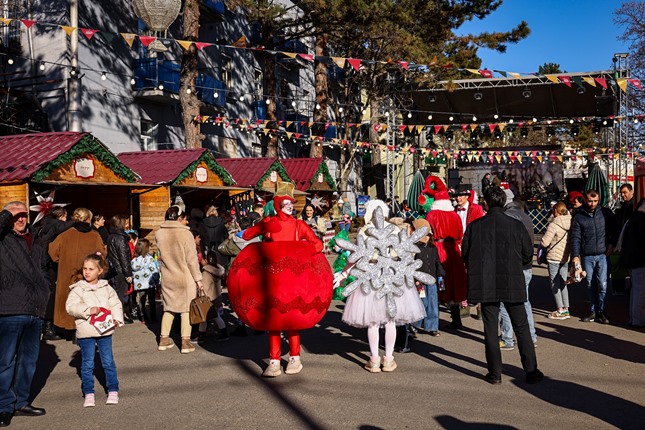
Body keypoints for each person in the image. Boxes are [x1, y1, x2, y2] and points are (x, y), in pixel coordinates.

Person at [462, 187, 543, 385]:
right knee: (521, 327)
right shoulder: (515, 225)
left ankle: (495, 373)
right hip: (512, 280)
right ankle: (531, 371)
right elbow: (527, 254)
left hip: (486, 282)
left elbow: (465, 254)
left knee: (490, 328)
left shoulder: (475, 226)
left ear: (486, 203)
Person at [241, 186, 324, 377]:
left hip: (294, 279)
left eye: (291, 203)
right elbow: (246, 236)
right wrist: (262, 228)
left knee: (292, 318)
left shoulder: (298, 225)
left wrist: (304, 254)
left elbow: (317, 244)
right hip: (272, 278)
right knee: (274, 319)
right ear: (278, 205)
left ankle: (295, 357)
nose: (290, 206)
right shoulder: (269, 222)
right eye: (286, 203)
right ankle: (274, 361)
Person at [341, 200, 426, 373]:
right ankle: (388, 359)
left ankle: (374, 360)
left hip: (370, 275)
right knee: (390, 321)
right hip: (392, 275)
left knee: (372, 321)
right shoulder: (395, 229)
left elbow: (355, 255)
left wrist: (344, 273)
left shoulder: (364, 231)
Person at [0, 202, 49, 427]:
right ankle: (4, 406)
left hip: (35, 308)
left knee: (29, 361)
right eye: (16, 215)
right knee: (6, 361)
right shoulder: (3, 239)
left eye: (24, 215)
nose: (21, 219)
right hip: (9, 307)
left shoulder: (35, 239)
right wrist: (7, 213)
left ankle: (21, 402)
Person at [65, 253, 124, 408]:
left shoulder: (106, 287)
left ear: (100, 271)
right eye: (85, 268)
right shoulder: (78, 289)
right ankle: (89, 393)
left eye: (91, 269)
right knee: (87, 364)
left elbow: (115, 303)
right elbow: (70, 306)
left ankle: (113, 390)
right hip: (86, 332)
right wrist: (87, 309)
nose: (87, 272)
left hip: (104, 331)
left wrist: (117, 318)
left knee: (108, 362)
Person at [49, 207, 105, 335]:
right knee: (86, 300)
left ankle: (67, 329)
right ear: (88, 219)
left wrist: (63, 261)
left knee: (68, 300)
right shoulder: (95, 235)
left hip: (67, 275)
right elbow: (101, 254)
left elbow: (53, 252)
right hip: (88, 275)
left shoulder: (64, 235)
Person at [156, 206, 203, 354]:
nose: (186, 220)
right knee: (186, 309)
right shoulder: (185, 234)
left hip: (168, 276)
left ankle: (164, 339)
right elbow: (191, 260)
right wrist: (198, 279)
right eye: (184, 218)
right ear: (179, 218)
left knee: (169, 308)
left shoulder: (159, 233)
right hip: (184, 276)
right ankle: (185, 342)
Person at [422, 176, 467, 329]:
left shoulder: (431, 215)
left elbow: (427, 234)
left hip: (437, 250)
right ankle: (456, 318)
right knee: (453, 284)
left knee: (437, 285)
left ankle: (433, 321)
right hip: (453, 251)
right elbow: (461, 235)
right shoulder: (455, 215)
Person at [570, 190, 618, 324]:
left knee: (603, 284)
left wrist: (612, 244)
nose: (592, 204)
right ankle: (593, 310)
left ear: (599, 200)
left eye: (595, 201)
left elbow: (615, 229)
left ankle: (602, 311)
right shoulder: (579, 216)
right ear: (585, 200)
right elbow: (575, 237)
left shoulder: (606, 213)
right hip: (587, 255)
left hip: (603, 254)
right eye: (590, 201)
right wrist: (575, 255)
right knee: (590, 284)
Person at [498, 187, 538, 350]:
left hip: (512, 266)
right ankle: (531, 337)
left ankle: (507, 338)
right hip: (526, 265)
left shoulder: (507, 217)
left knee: (505, 303)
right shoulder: (525, 217)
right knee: (525, 302)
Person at [33, 207, 72, 341]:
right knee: (50, 294)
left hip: (41, 261)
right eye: (66, 215)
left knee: (47, 293)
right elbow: (65, 226)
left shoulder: (45, 223)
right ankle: (47, 328)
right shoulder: (55, 224)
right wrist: (79, 221)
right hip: (46, 263)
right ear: (61, 216)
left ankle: (47, 326)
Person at [412, 219, 444, 337]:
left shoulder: (433, 249)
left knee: (433, 303)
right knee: (422, 302)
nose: (428, 238)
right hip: (420, 280)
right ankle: (415, 325)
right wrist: (415, 280)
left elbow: (437, 262)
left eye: (429, 235)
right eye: (426, 235)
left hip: (432, 280)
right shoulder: (415, 249)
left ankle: (432, 327)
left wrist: (440, 273)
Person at [541, 202, 572, 320]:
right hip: (564, 258)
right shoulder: (570, 223)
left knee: (555, 284)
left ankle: (560, 309)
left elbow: (545, 242)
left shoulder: (554, 225)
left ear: (556, 211)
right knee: (563, 283)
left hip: (554, 258)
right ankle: (566, 308)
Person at [106, 215, 135, 324]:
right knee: (120, 294)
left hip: (114, 268)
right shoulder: (120, 238)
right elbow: (124, 257)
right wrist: (128, 274)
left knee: (116, 293)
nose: (127, 225)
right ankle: (118, 317)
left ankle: (117, 315)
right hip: (120, 270)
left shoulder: (111, 236)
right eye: (125, 223)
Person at [197, 252, 228, 343]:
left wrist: (200, 297)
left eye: (202, 259)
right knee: (212, 317)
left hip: (208, 299)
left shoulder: (206, 273)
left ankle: (202, 336)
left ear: (206, 260)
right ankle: (202, 335)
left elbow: (204, 288)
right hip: (217, 297)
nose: (201, 261)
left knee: (209, 317)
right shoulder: (218, 270)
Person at [131, 239, 159, 324]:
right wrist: (157, 281)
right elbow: (155, 271)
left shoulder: (134, 260)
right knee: (150, 301)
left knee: (142, 301)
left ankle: (143, 317)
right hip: (149, 284)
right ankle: (152, 317)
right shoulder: (149, 259)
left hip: (141, 284)